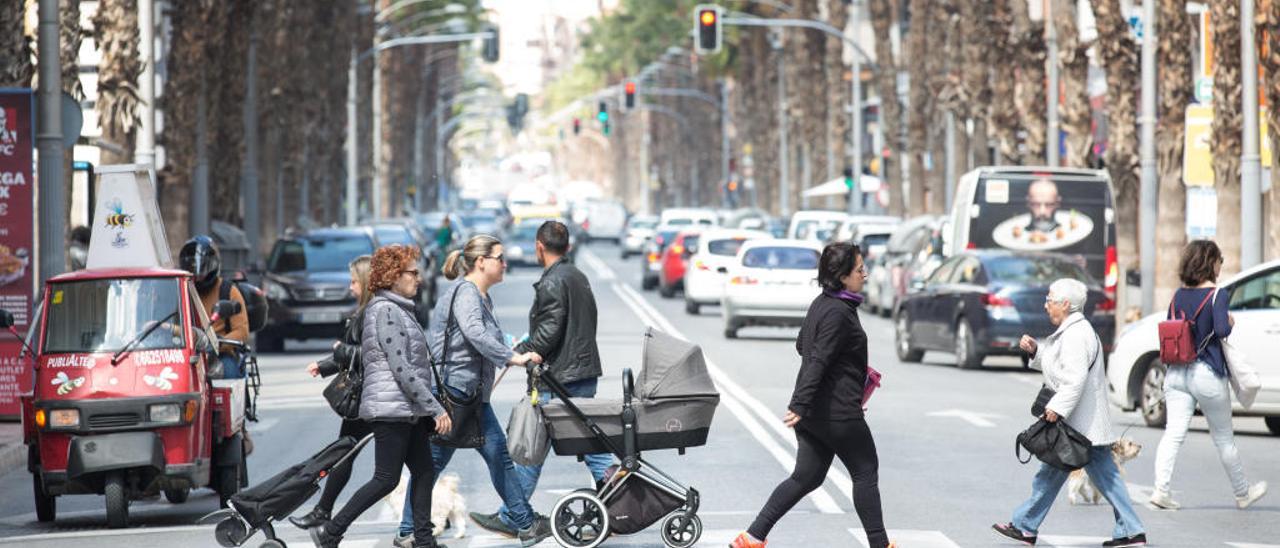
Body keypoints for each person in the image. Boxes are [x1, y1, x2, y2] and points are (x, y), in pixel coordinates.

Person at [393, 235, 552, 548]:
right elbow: (475, 333)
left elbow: (484, 337)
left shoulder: (478, 294)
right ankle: (409, 530)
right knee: (435, 463)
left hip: (469, 395)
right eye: (500, 257)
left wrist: (514, 349)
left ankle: (523, 521)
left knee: (497, 457)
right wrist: (514, 358)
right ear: (481, 262)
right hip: (455, 395)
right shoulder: (466, 293)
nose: (505, 263)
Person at [732, 242, 894, 548]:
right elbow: (818, 358)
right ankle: (880, 544)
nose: (866, 274)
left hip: (815, 416)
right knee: (865, 471)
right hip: (838, 412)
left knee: (806, 477)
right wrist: (800, 402)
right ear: (843, 276)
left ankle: (751, 537)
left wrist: (841, 363)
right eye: (860, 269)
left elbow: (802, 346)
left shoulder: (823, 303)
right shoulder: (838, 313)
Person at [471, 220, 611, 538]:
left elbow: (549, 331)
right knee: (592, 446)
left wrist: (519, 352)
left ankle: (511, 516)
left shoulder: (553, 281)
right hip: (581, 373)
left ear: (539, 246)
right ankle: (621, 505)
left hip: (560, 378)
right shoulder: (576, 275)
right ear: (568, 246)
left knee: (532, 447)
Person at [310, 244, 451, 548]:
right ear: (393, 276)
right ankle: (331, 531)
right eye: (413, 273)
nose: (419, 279)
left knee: (425, 471)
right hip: (392, 408)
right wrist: (436, 408)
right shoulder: (386, 311)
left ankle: (424, 541)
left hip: (405, 407)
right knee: (386, 478)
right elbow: (400, 367)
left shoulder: (397, 308)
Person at [993, 278, 1147, 548]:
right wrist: (1036, 352)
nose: (1046, 305)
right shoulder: (1074, 330)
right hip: (1079, 422)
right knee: (1058, 474)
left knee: (1098, 478)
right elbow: (1061, 366)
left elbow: (1074, 380)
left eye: (1050, 300)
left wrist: (1056, 408)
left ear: (1065, 304)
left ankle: (1131, 532)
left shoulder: (1077, 334)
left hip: (1079, 424)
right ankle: (1026, 526)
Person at [1149, 241, 1268, 510]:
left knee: (1173, 434)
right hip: (1207, 373)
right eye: (1219, 260)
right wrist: (1229, 321)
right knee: (1224, 438)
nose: (1221, 265)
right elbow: (1221, 330)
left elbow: (1173, 326)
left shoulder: (1178, 295)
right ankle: (1242, 493)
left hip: (1176, 373)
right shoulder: (1218, 294)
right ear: (1210, 262)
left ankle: (1160, 490)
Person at [289, 255, 375, 530]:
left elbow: (371, 354)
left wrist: (338, 352)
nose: (350, 287)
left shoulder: (371, 313)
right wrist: (325, 364)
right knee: (348, 453)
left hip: (370, 397)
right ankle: (324, 511)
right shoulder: (366, 311)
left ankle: (325, 514)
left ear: (366, 282)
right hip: (370, 396)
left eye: (353, 281)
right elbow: (353, 354)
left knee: (351, 455)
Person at [179, 236, 250, 379]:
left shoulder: (228, 290)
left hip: (220, 354)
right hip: (184, 353)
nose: (198, 276)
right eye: (193, 270)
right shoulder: (179, 292)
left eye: (202, 270)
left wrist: (216, 344)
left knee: (228, 374)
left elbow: (242, 331)